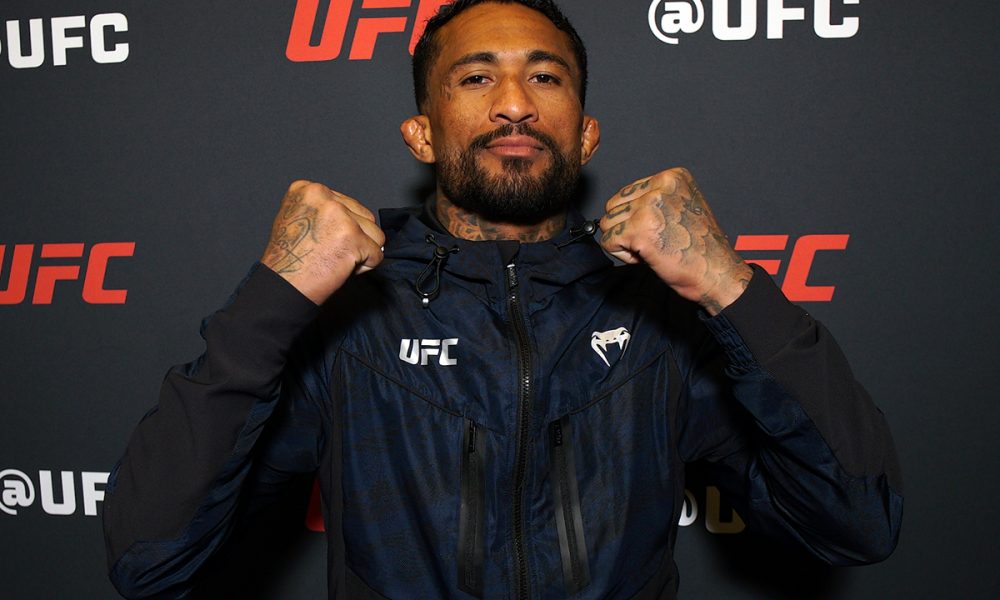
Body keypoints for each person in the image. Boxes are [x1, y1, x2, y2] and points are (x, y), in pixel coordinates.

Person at [102, 1, 903, 598]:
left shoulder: (656, 314)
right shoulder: (350, 319)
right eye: (477, 76)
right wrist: (274, 297)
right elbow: (149, 558)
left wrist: (728, 284)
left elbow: (856, 522)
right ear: (423, 134)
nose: (515, 102)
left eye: (545, 77)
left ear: (585, 134)